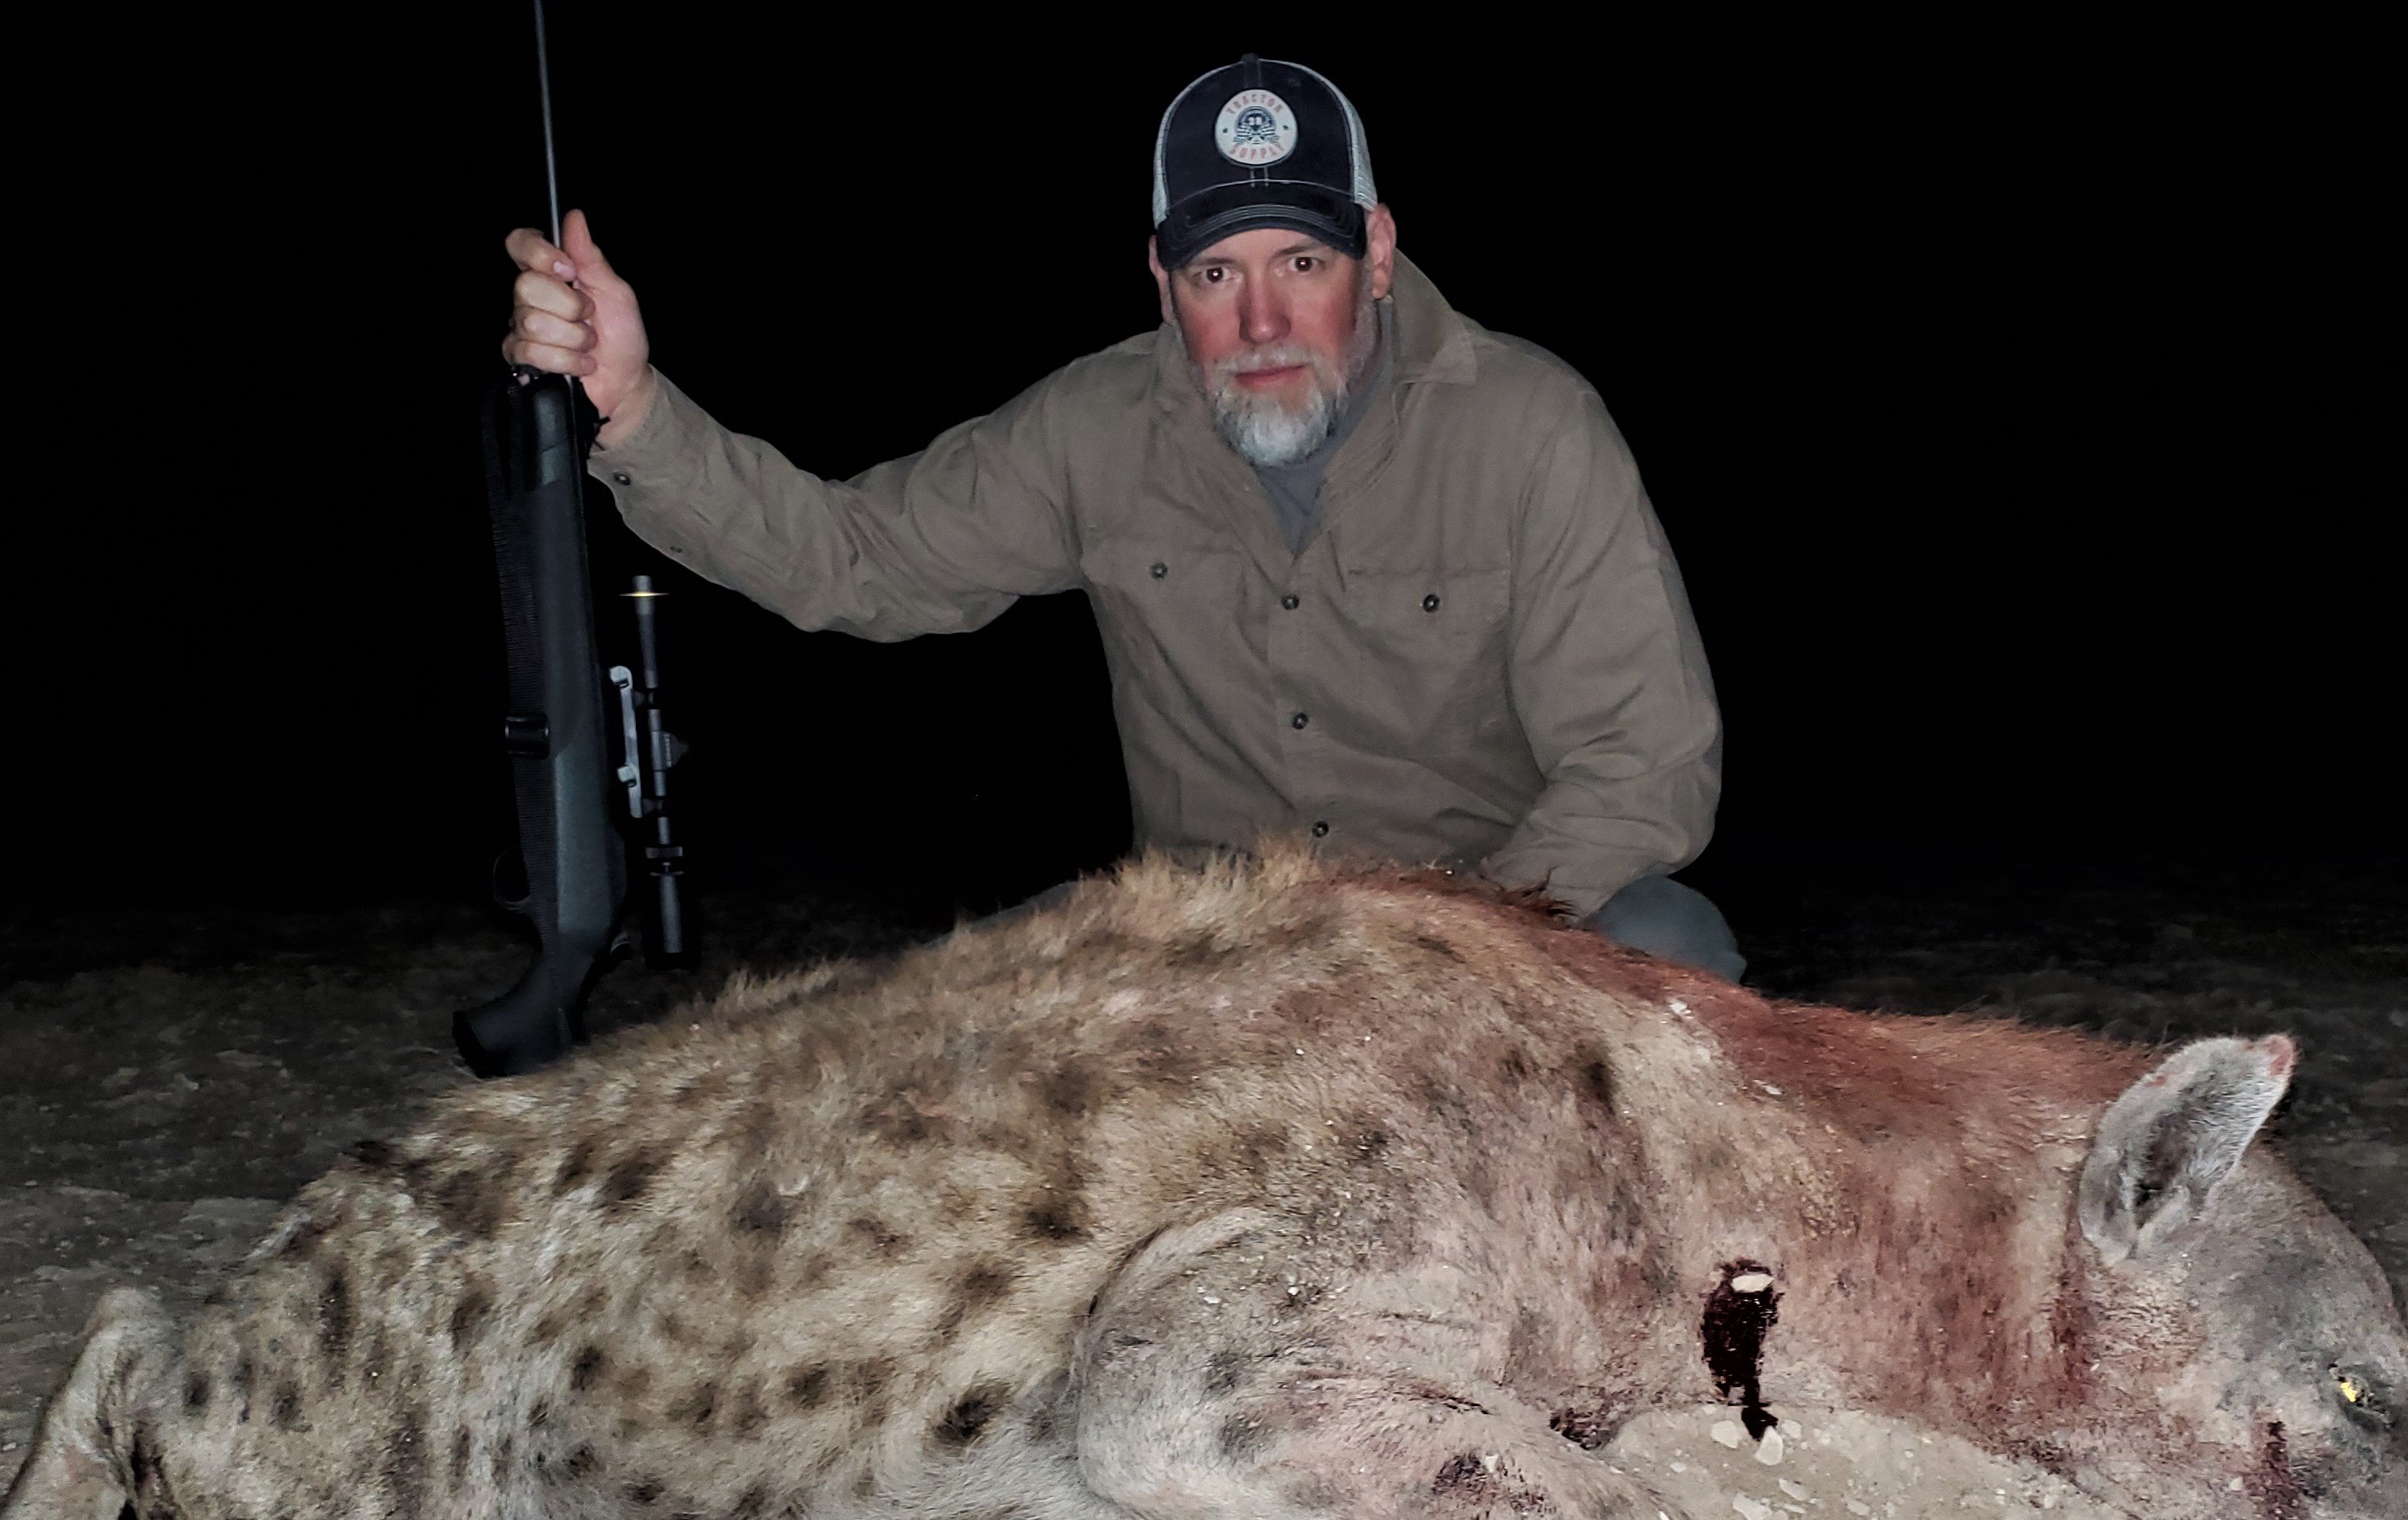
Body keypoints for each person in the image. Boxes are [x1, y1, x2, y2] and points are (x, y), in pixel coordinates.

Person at [502, 53, 1740, 980]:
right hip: (1203, 938)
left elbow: (1645, 771)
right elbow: (857, 559)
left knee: (1667, 942)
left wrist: (1431, 949)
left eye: (1299, 264)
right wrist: (637, 404)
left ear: (1373, 250)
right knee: (917, 1026)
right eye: (1216, 275)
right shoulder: (1091, 428)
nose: (1259, 324)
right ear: (1162, 279)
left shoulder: (1532, 424)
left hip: (1488, 927)